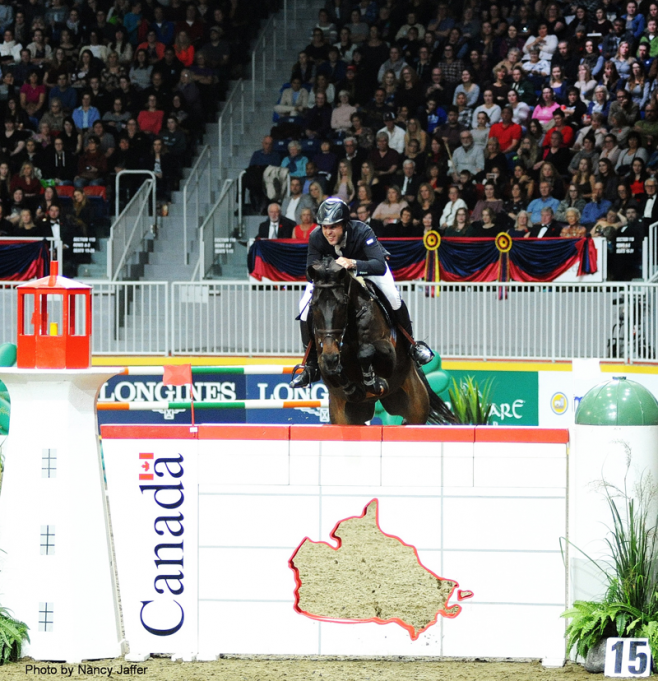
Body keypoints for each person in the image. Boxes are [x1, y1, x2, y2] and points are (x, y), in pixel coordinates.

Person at [290, 197, 434, 390]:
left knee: (393, 296)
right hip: (334, 277)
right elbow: (310, 270)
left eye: (333, 227)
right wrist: (331, 270)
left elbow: (379, 264)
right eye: (325, 227)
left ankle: (411, 345)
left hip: (366, 269)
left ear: (344, 224)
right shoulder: (316, 236)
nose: (328, 232)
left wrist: (353, 263)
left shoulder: (362, 231)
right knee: (304, 306)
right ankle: (310, 365)